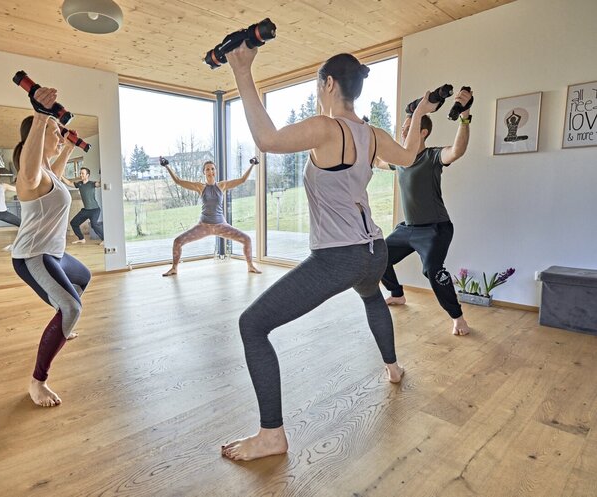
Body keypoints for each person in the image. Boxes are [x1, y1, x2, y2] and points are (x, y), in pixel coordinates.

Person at [220, 45, 436, 461]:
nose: (319, 92)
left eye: (319, 85)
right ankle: (393, 367)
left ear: (330, 84)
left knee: (252, 325)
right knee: (373, 297)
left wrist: (243, 72)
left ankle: (271, 435)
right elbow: (410, 156)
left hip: (339, 257)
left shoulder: (326, 128)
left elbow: (266, 140)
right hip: (375, 250)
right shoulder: (372, 135)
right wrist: (422, 111)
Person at [11, 87, 91, 408]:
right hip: (34, 255)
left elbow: (53, 172)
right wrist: (41, 115)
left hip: (52, 253)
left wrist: (69, 148)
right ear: (38, 133)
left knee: (82, 277)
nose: (60, 137)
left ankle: (61, 324)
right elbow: (31, 171)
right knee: (72, 308)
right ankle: (37, 381)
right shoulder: (28, 175)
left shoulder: (47, 174)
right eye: (56, 133)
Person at [377, 87, 474, 336]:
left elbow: (457, 151)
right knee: (379, 257)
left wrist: (465, 116)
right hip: (408, 228)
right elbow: (376, 161)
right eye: (402, 128)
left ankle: (457, 317)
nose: (402, 132)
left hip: (435, 228)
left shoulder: (432, 156)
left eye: (408, 129)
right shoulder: (399, 160)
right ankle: (397, 294)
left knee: (433, 270)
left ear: (423, 132)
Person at [161, 159, 261, 276]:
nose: (210, 171)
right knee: (177, 241)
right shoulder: (200, 187)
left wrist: (252, 165)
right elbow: (178, 181)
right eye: (207, 169)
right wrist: (167, 166)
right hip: (203, 226)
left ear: (216, 171)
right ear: (204, 172)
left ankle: (250, 266)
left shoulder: (222, 185)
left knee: (247, 239)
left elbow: (242, 180)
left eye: (212, 169)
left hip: (221, 226)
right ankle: (174, 268)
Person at [61, 167, 104, 245]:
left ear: (87, 175)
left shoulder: (92, 183)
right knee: (74, 223)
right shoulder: (79, 184)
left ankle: (105, 239)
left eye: (82, 173)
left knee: (94, 224)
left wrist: (102, 172)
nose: (81, 175)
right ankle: (81, 239)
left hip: (94, 209)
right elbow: (69, 183)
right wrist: (61, 176)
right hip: (86, 210)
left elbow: (100, 183)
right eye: (80, 173)